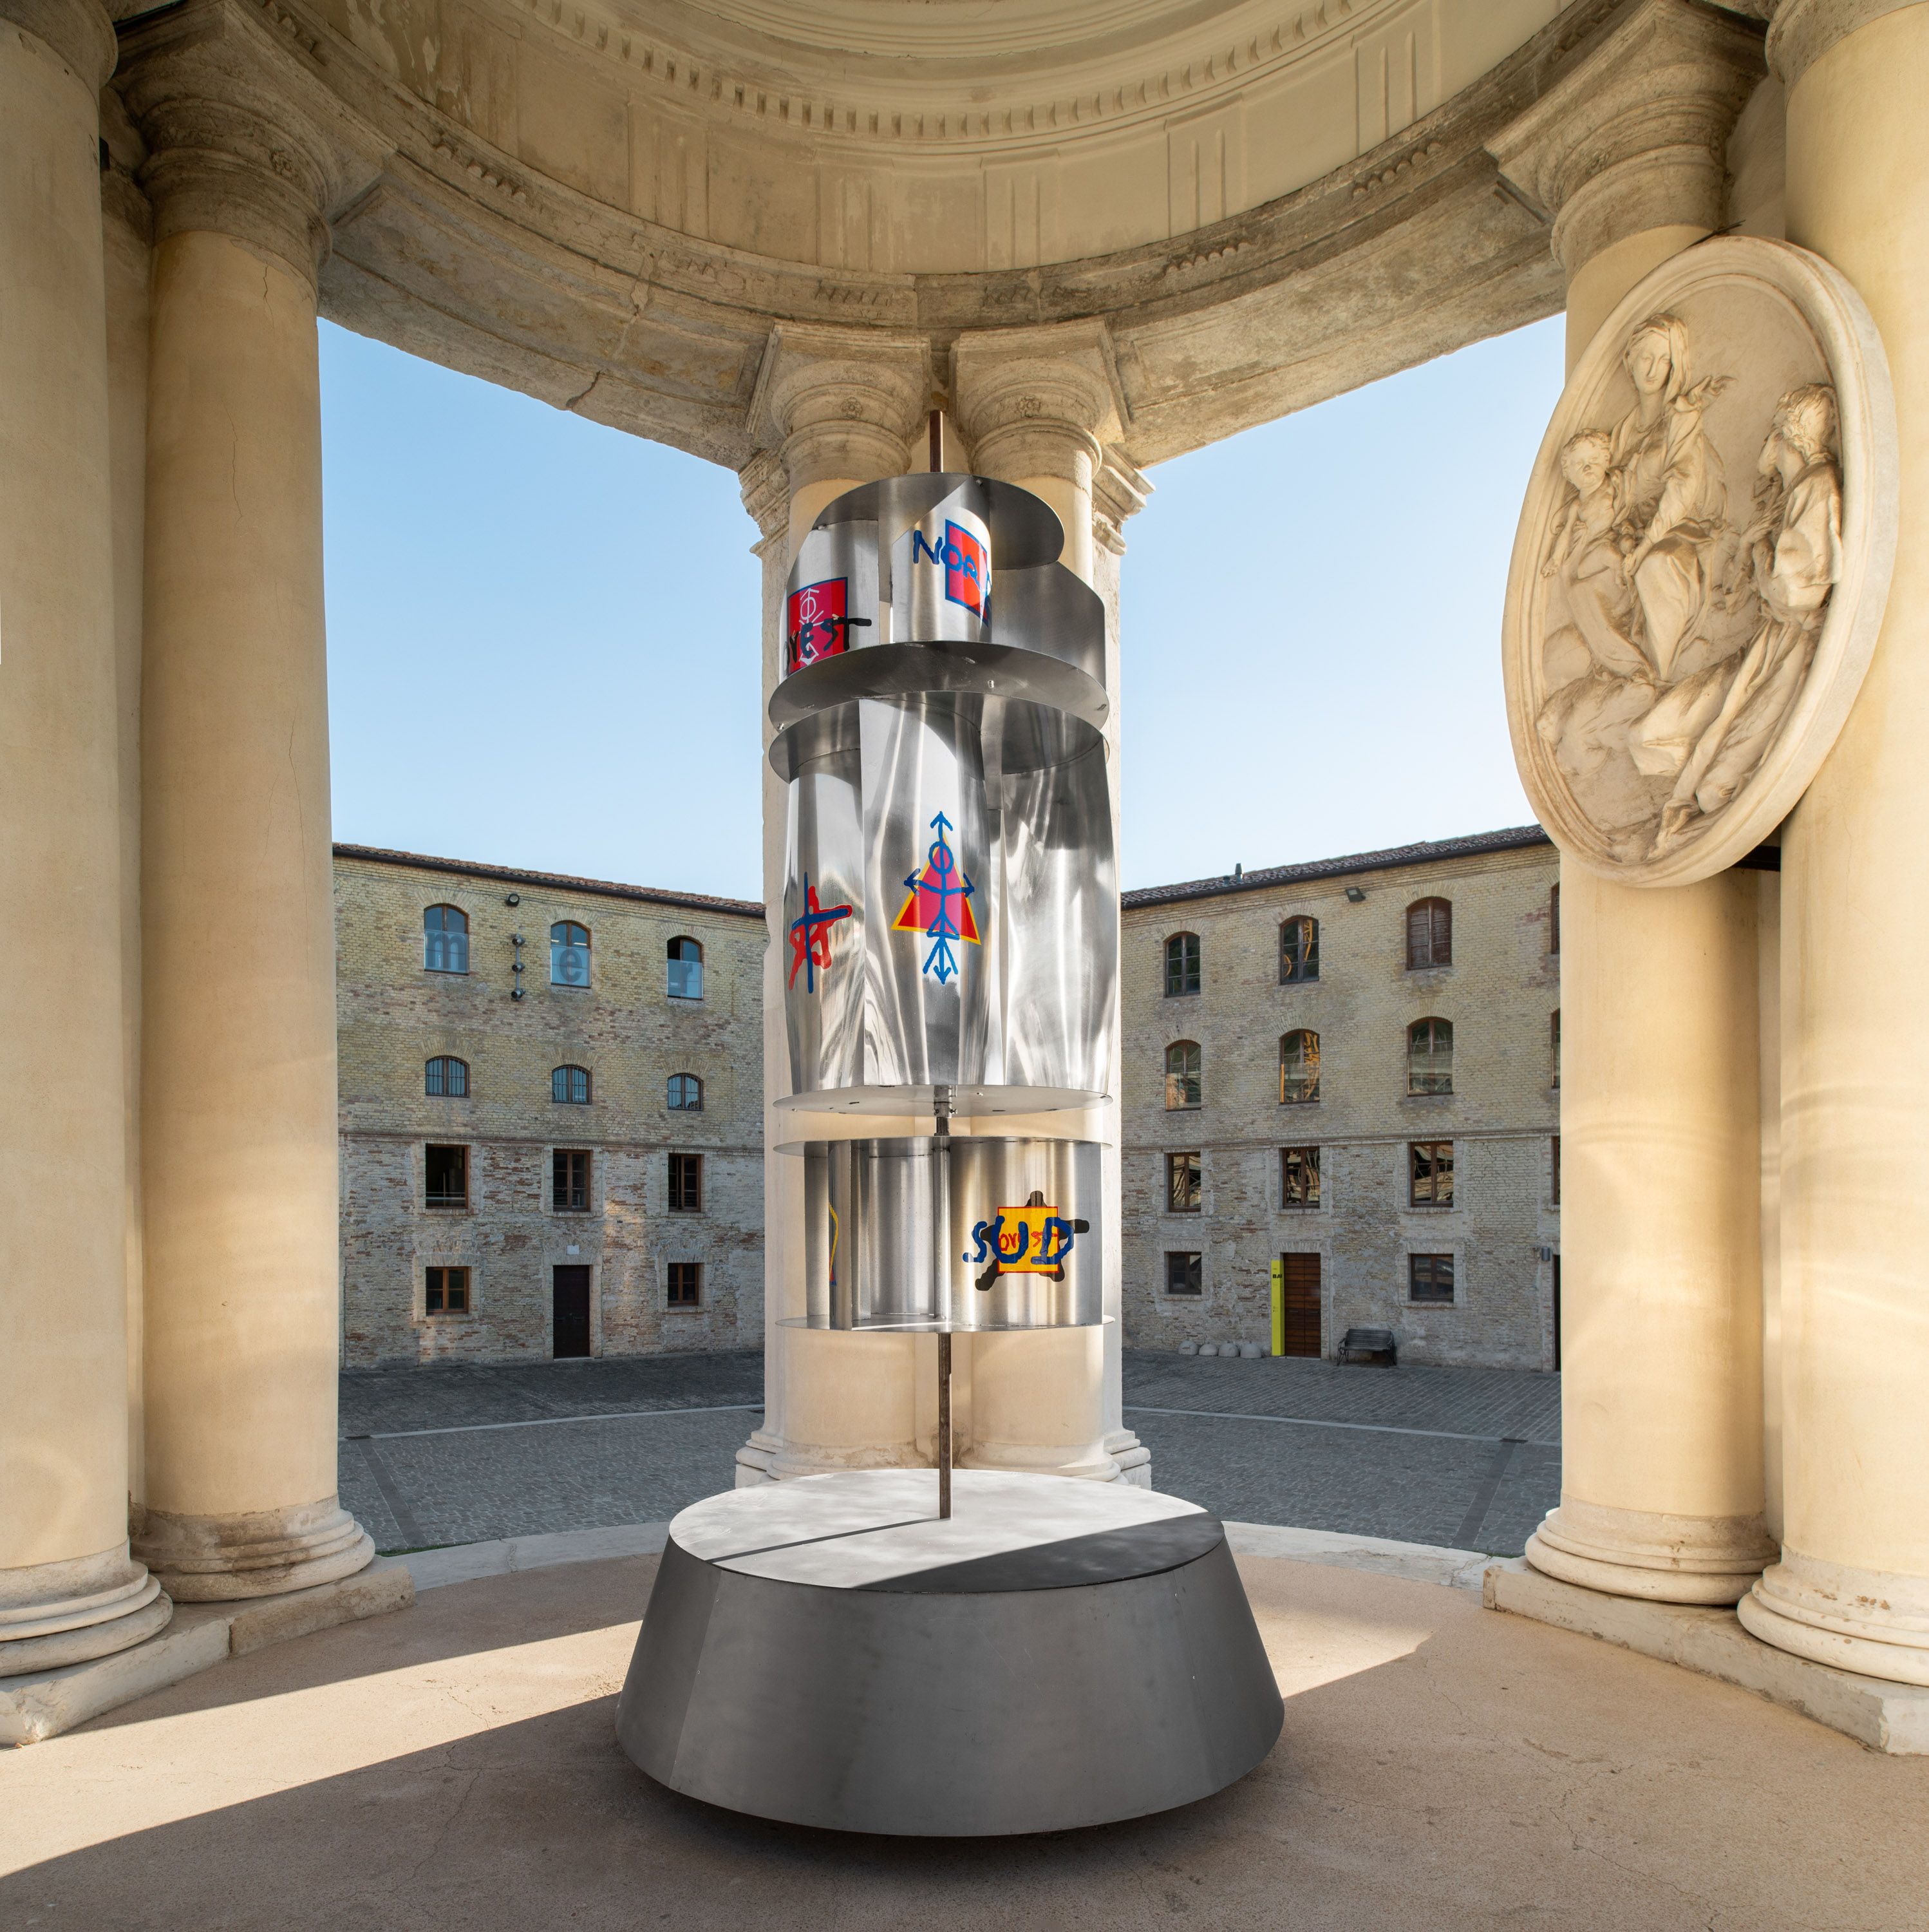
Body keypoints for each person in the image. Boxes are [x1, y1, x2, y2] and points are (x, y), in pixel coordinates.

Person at [1644, 384, 1842, 854]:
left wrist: (1758, 549)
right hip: (1768, 649)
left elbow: (1796, 591)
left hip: (1791, 651)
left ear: (1787, 436)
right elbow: (1739, 597)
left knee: (1717, 789)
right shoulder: (1793, 493)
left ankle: (1689, 833)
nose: (1765, 442)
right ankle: (1683, 827)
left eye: (1773, 431)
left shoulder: (1816, 486)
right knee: (1678, 749)